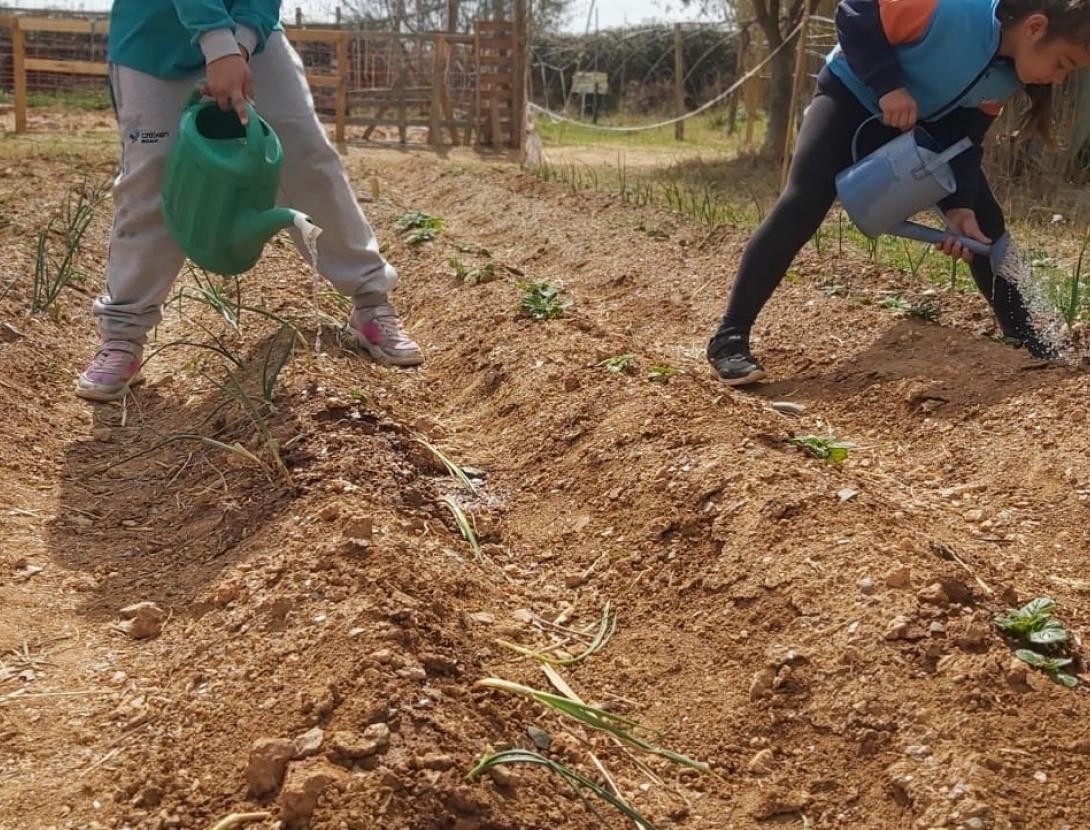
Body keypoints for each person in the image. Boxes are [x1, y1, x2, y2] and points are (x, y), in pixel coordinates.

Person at [706, 0, 1090, 385]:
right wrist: (888, 85)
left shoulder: (1007, 76)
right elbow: (854, 13)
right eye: (1063, 64)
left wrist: (958, 209)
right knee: (804, 201)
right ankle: (730, 337)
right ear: (1035, 28)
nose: (1058, 80)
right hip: (852, 95)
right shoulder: (951, 10)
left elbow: (964, 139)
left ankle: (1023, 338)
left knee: (984, 225)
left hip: (920, 128)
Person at [77, 0, 423, 402]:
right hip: (153, 36)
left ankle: (369, 301)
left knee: (306, 157)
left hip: (252, 36)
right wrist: (216, 42)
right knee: (151, 175)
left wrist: (240, 43)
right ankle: (123, 334)